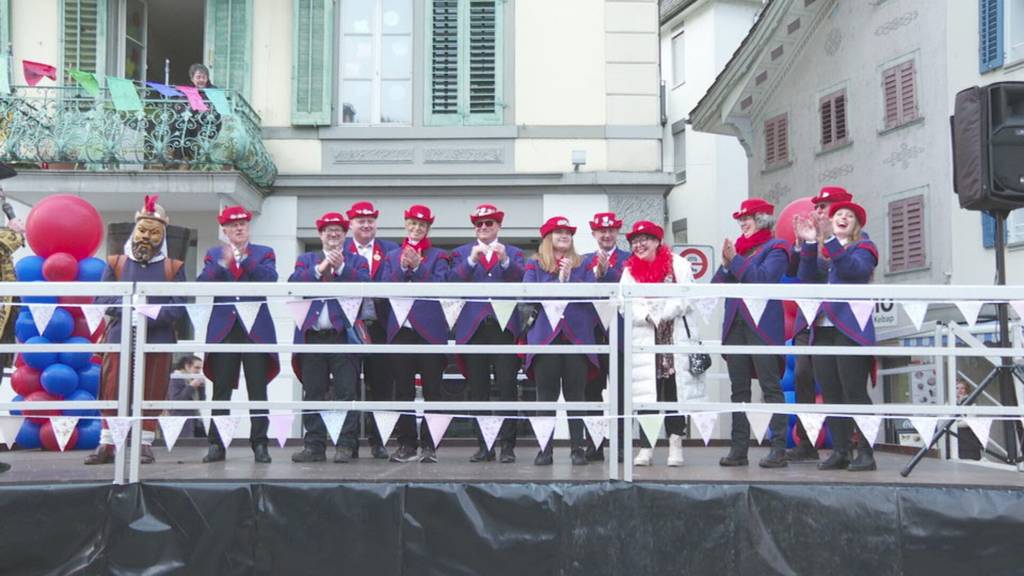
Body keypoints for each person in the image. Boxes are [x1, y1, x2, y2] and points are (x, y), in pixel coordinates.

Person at [86, 196, 186, 465]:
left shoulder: (173, 267)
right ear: (135, 230)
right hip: (120, 334)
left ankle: (144, 443)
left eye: (154, 233)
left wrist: (151, 314)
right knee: (111, 386)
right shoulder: (116, 263)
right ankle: (107, 443)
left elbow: (180, 306)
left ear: (162, 236)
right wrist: (129, 309)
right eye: (143, 230)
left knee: (152, 388)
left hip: (158, 335)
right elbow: (102, 300)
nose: (146, 237)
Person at [795, 200, 879, 472]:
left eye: (849, 216)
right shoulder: (828, 256)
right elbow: (806, 278)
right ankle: (841, 450)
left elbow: (853, 270)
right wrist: (809, 244)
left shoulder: (865, 248)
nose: (842, 217)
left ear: (856, 225)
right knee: (831, 392)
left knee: (854, 391)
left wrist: (828, 239)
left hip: (850, 330)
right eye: (838, 214)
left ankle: (866, 452)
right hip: (822, 329)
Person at [713, 198, 791, 469]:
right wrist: (726, 264)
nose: (743, 223)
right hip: (735, 325)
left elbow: (762, 281)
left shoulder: (778, 247)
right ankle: (739, 448)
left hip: (763, 328)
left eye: (749, 218)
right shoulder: (739, 252)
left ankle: (778, 447)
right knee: (739, 390)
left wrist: (734, 261)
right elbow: (716, 287)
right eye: (741, 219)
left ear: (763, 220)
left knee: (770, 387)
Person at [198, 205, 279, 464]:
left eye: (243, 223)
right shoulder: (214, 254)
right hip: (225, 330)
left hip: (255, 329)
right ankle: (217, 444)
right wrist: (225, 260)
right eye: (233, 225)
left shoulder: (264, 253)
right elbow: (204, 284)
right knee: (221, 390)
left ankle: (260, 444)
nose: (239, 228)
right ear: (224, 230)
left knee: (258, 388)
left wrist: (245, 258)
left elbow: (269, 280)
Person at [289, 212, 371, 463]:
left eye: (338, 230)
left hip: (343, 336)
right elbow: (294, 283)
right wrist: (322, 268)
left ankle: (346, 444)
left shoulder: (356, 261)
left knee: (346, 392)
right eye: (328, 230)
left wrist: (341, 267)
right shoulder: (307, 259)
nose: (333, 234)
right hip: (312, 337)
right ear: (320, 235)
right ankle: (314, 445)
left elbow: (365, 284)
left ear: (345, 235)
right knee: (313, 392)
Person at [620, 221, 703, 467]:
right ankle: (646, 447)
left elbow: (687, 296)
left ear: (657, 241)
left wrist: (663, 313)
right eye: (635, 241)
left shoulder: (679, 264)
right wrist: (646, 316)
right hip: (645, 337)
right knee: (648, 394)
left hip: (673, 336)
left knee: (674, 393)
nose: (639, 244)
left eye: (645, 239)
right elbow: (626, 302)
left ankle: (675, 446)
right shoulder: (629, 271)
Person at [448, 204, 526, 463]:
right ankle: (484, 445)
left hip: (504, 330)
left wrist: (504, 260)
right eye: (479, 224)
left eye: (489, 224)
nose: (484, 228)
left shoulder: (513, 253)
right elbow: (451, 283)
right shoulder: (461, 253)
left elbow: (522, 281)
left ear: (498, 227)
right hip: (474, 330)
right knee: (478, 389)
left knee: (507, 388)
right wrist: (472, 260)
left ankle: (508, 447)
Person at [785, 185, 855, 462]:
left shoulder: (856, 239)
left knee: (842, 382)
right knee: (803, 374)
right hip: (809, 319)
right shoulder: (815, 239)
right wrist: (803, 245)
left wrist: (825, 239)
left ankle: (849, 443)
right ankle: (806, 440)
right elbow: (797, 273)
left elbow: (843, 270)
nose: (817, 212)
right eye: (816, 207)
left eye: (823, 207)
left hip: (840, 321)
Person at [523, 216, 599, 466]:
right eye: (558, 232)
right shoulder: (534, 265)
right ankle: (545, 449)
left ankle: (578, 448)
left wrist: (570, 278)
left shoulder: (584, 264)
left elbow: (592, 295)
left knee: (576, 395)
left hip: (576, 338)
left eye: (568, 232)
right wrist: (558, 280)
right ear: (548, 237)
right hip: (545, 338)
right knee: (545, 396)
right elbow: (527, 295)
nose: (564, 235)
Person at [380, 205, 450, 463]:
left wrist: (419, 267)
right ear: (405, 225)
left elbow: (442, 286)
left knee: (433, 390)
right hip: (401, 331)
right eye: (412, 223)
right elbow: (385, 287)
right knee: (404, 390)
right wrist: (403, 267)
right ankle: (406, 444)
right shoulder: (391, 256)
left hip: (430, 332)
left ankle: (431, 445)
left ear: (428, 228)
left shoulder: (439, 256)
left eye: (422, 225)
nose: (417, 228)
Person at [344, 201, 400, 459]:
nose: (366, 225)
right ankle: (349, 441)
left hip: (381, 325)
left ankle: (379, 441)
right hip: (349, 325)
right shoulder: (339, 248)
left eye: (370, 220)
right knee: (348, 386)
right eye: (360, 220)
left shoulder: (391, 249)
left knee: (382, 386)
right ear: (351, 224)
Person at [581, 211, 631, 461]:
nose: (607, 235)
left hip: (621, 334)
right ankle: (594, 443)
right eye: (602, 231)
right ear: (594, 234)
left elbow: (627, 286)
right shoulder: (582, 260)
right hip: (592, 334)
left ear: (617, 233)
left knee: (621, 392)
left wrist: (606, 272)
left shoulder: (630, 259)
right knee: (591, 391)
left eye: (611, 230)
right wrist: (596, 273)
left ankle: (621, 444)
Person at [167, 355, 207, 438]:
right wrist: (191, 387)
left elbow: (202, 401)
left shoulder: (193, 378)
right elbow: (176, 401)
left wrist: (202, 387)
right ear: (187, 366)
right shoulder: (176, 378)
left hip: (196, 419)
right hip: (181, 421)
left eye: (200, 368)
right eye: (196, 368)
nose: (198, 371)